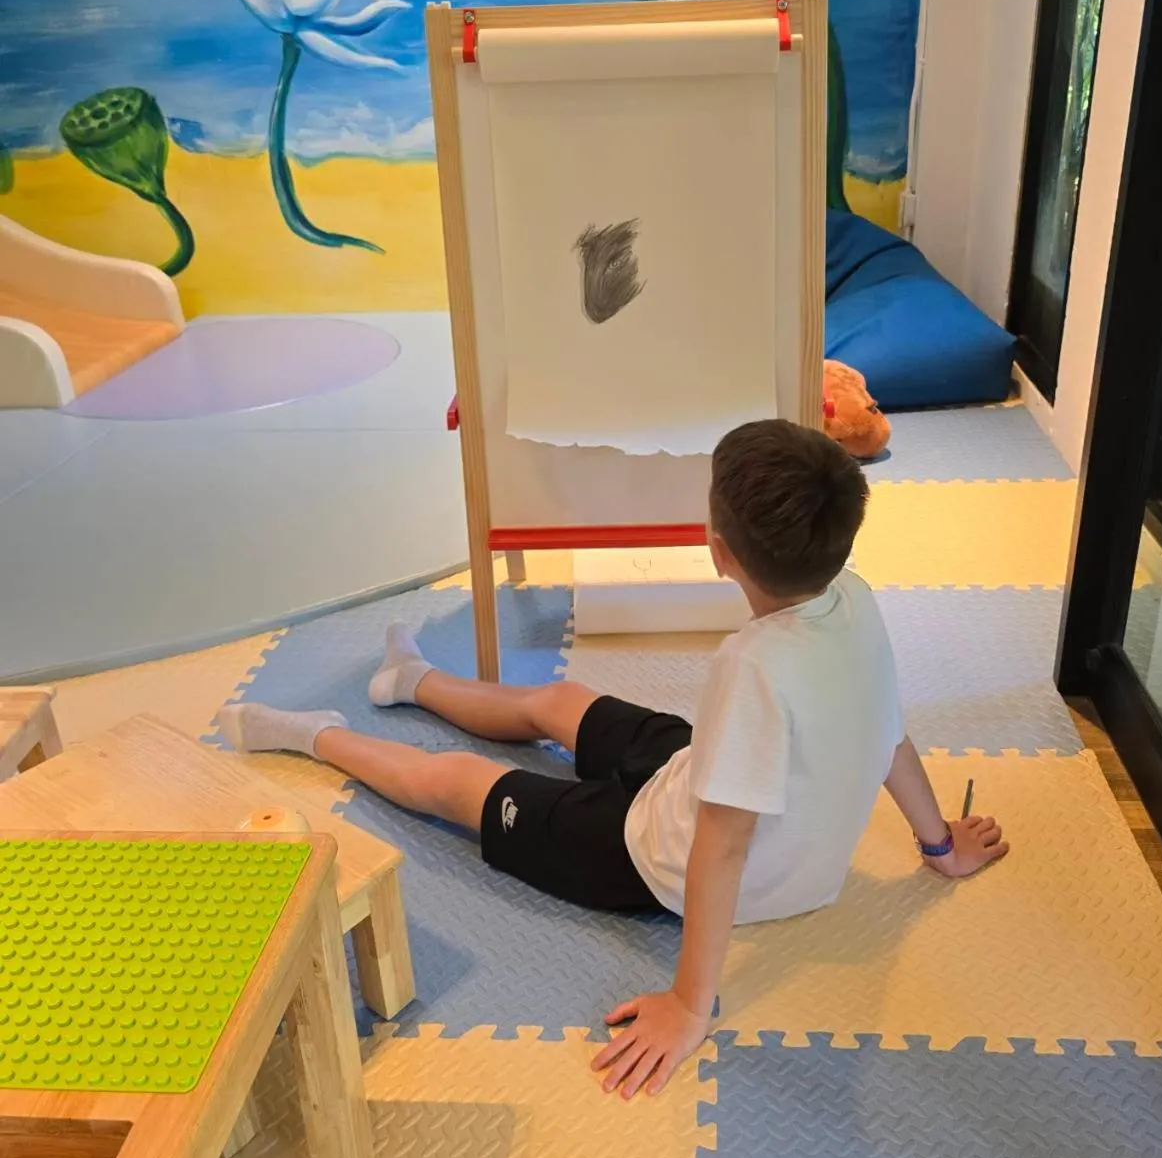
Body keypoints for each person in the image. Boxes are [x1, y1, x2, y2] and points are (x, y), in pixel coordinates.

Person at [218, 419, 1009, 1100]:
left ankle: (316, 734)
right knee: (560, 700)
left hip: (646, 853)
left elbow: (720, 846)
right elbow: (889, 734)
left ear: (719, 552)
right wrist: (938, 844)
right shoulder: (856, 598)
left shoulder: (753, 666)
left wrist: (691, 1005)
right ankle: (413, 680)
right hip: (695, 773)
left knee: (459, 784)